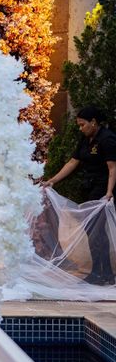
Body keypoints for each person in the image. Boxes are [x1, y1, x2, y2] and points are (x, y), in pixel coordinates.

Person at [43, 106, 116, 285]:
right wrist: (52, 180)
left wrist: (108, 193)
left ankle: (101, 273)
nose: (80, 128)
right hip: (90, 188)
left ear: (94, 122)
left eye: (83, 124)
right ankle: (103, 272)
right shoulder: (85, 139)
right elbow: (73, 161)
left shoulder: (108, 139)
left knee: (95, 232)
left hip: (103, 188)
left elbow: (113, 168)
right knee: (94, 232)